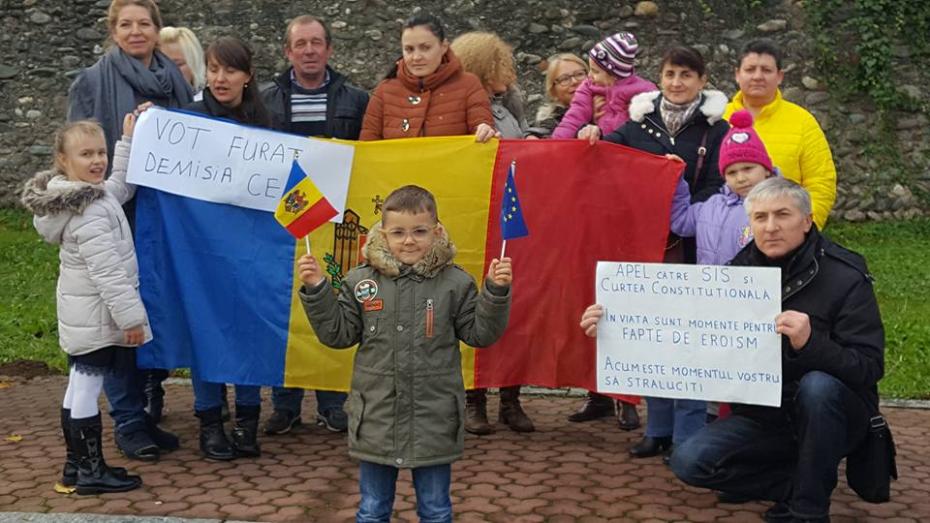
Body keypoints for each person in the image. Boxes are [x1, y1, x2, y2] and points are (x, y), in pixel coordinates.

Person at [668, 177, 885, 523]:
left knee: (818, 386)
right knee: (689, 461)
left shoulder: (846, 275)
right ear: (750, 223)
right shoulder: (735, 275)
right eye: (760, 217)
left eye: (782, 215)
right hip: (765, 415)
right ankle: (802, 481)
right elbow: (692, 336)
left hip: (837, 415)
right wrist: (617, 325)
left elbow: (869, 367)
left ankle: (809, 509)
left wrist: (811, 344)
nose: (770, 227)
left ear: (806, 220)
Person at [298, 185, 512, 522]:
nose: (408, 241)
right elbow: (337, 334)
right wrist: (317, 289)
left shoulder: (456, 283)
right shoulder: (360, 281)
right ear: (383, 234)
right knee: (372, 510)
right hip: (376, 418)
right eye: (398, 232)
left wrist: (495, 293)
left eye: (419, 231)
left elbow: (480, 334)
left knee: (436, 510)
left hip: (434, 418)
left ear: (436, 231)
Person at [581, 46, 730, 460]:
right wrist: (591, 136)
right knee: (652, 339)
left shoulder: (716, 129)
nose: (677, 82)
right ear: (659, 78)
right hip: (644, 249)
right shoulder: (637, 124)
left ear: (702, 81)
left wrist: (682, 200)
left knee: (689, 342)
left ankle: (688, 433)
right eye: (670, 74)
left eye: (686, 75)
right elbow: (607, 161)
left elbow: (722, 182)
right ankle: (658, 428)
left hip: (695, 248)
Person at [66, 0, 187, 462]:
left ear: (157, 30)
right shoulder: (93, 81)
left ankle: (147, 413)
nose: (136, 31)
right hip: (114, 214)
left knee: (150, 311)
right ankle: (128, 421)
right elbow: (78, 151)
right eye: (126, 24)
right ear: (113, 31)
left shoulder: (175, 81)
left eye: (144, 23)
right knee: (116, 318)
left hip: (162, 215)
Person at [21, 115, 152, 495]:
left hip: (85, 315)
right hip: (97, 316)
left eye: (102, 152)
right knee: (86, 387)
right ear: (63, 161)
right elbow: (109, 273)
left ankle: (76, 465)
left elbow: (119, 187)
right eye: (86, 154)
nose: (97, 161)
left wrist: (126, 142)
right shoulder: (89, 211)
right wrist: (131, 319)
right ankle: (91, 469)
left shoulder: (87, 195)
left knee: (80, 384)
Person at [260, 15, 369, 436]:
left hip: (337, 219)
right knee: (281, 309)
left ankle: (332, 401)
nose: (308, 50)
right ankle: (284, 404)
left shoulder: (356, 99)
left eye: (316, 43)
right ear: (288, 52)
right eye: (300, 44)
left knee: (333, 304)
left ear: (329, 49)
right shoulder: (265, 99)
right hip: (282, 221)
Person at [184, 36, 274, 460]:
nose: (220, 78)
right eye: (214, 69)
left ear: (247, 76)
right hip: (201, 249)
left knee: (247, 330)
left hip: (249, 250)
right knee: (207, 332)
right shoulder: (186, 121)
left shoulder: (265, 123)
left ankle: (247, 422)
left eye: (230, 70)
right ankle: (210, 425)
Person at [450, 30, 536, 434]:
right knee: (474, 304)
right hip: (473, 212)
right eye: (501, 64)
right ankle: (474, 399)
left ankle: (511, 399)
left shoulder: (513, 100)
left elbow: (527, 139)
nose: (509, 72)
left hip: (511, 214)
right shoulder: (461, 98)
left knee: (515, 304)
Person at [725, 39, 836, 229]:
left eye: (766, 70)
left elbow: (821, 182)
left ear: (779, 76)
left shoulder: (802, 122)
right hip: (726, 232)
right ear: (737, 74)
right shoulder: (718, 119)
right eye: (750, 69)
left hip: (784, 234)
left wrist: (804, 229)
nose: (758, 76)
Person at [359, 13, 496, 142]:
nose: (417, 57)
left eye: (425, 48)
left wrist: (485, 131)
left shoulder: (469, 85)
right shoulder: (384, 90)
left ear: (443, 47)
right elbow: (368, 147)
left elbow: (481, 128)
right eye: (409, 49)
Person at [669, 109, 777, 265]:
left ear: (767, 169)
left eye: (748, 169)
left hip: (752, 287)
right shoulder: (711, 205)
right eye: (732, 172)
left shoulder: (779, 206)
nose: (740, 178)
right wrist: (677, 180)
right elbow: (681, 222)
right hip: (710, 288)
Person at [552, 32, 655, 139]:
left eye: (595, 71)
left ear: (614, 75)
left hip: (628, 147)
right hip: (599, 144)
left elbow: (654, 123)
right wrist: (556, 143)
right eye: (590, 69)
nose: (589, 75)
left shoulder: (643, 91)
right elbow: (574, 116)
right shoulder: (589, 85)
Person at [526, 53, 587, 138]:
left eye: (579, 74)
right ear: (553, 91)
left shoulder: (608, 106)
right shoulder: (550, 121)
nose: (574, 81)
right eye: (564, 79)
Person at [159, 26, 206, 96]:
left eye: (177, 65)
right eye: (160, 65)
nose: (167, 71)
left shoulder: (211, 103)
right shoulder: (144, 102)